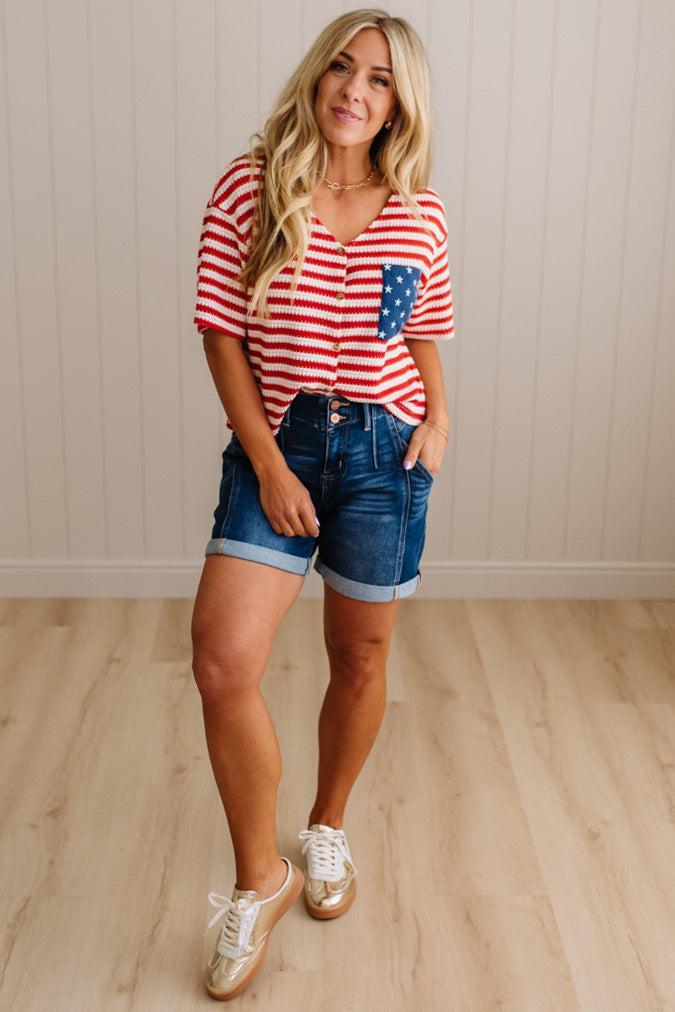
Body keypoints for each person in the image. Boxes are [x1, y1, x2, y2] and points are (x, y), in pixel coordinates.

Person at [190, 7, 455, 1001]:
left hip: (388, 452)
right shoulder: (252, 183)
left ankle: (327, 823)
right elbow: (221, 331)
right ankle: (260, 878)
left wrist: (440, 420)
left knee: (361, 654)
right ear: (317, 75)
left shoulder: (416, 208)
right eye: (342, 68)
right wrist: (266, 461)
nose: (355, 88)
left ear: (398, 104)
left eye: (379, 79)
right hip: (281, 441)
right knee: (222, 657)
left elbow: (423, 322)